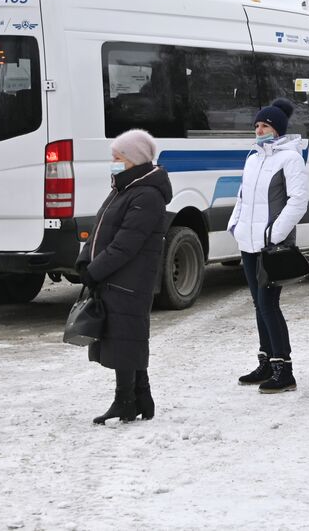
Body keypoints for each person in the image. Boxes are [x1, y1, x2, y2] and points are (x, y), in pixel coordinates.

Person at [76, 128, 171, 425]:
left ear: (133, 159)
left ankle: (126, 401)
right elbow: (100, 229)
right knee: (126, 337)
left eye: (118, 157)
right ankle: (141, 397)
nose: (113, 162)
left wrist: (95, 270)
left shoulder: (146, 194)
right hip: (116, 277)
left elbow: (126, 243)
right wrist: (84, 261)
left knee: (126, 338)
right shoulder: (125, 188)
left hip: (130, 278)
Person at [229, 98, 309, 394]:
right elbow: (242, 198)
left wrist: (273, 234)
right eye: (257, 125)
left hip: (271, 246)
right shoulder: (254, 158)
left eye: (264, 125)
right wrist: (235, 226)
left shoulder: (290, 158)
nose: (259, 130)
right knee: (257, 304)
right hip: (248, 243)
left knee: (268, 304)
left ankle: (283, 369)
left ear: (277, 129)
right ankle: (265, 361)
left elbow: (298, 201)